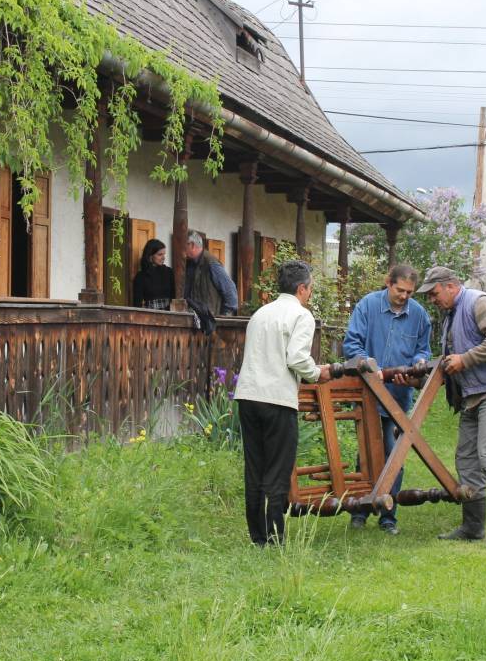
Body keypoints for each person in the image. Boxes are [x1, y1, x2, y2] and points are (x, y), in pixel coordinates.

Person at [418, 266, 486, 546]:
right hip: (474, 395)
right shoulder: (451, 315)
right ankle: (472, 526)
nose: (432, 299)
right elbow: (454, 357)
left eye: (434, 293)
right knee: (466, 459)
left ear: (451, 286)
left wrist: (465, 360)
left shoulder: (479, 302)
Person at [234, 260, 332, 546]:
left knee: (255, 468)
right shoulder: (301, 315)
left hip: (248, 396)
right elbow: (297, 358)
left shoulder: (261, 314)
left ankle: (257, 537)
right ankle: (275, 539)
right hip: (277, 398)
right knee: (278, 470)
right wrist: (316, 373)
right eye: (310, 289)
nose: (310, 294)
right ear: (302, 289)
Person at [342, 264, 432, 534]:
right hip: (368, 395)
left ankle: (388, 516)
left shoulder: (419, 315)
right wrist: (371, 366)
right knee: (367, 455)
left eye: (409, 292)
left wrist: (416, 366)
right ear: (388, 283)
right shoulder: (367, 306)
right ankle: (360, 510)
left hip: (398, 397)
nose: (404, 296)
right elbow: (351, 344)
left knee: (395, 454)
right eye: (400, 290)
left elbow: (422, 350)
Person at [184, 229, 238, 318]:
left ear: (192, 245)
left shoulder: (211, 263)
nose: (180, 249)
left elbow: (230, 293)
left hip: (209, 321)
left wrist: (222, 316)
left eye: (183, 246)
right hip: (193, 319)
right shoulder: (189, 264)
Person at [132, 238, 173, 310]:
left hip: (169, 314)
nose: (164, 257)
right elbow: (137, 304)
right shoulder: (141, 276)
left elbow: (175, 297)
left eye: (164, 254)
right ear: (150, 256)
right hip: (149, 317)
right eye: (160, 254)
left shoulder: (169, 272)